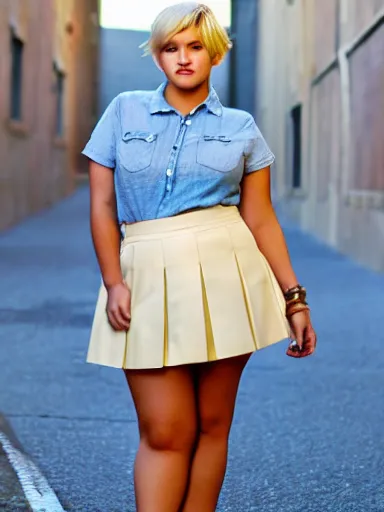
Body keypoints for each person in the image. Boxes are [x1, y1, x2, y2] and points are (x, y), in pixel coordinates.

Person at [81, 2, 317, 511]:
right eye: (171, 48)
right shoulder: (124, 110)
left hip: (228, 272)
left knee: (212, 427)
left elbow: (260, 219)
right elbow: (101, 204)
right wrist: (114, 281)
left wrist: (294, 298)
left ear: (215, 54)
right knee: (166, 430)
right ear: (158, 55)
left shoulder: (241, 126)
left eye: (195, 47)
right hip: (143, 274)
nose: (183, 58)